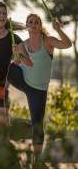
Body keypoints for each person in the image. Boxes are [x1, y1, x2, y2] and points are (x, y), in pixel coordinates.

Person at [8, 14, 72, 156]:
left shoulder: (48, 41)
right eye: (30, 22)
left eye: (36, 22)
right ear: (27, 25)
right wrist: (16, 54)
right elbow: (22, 64)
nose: (33, 24)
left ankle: (37, 160)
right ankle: (0, 102)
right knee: (6, 66)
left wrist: (58, 29)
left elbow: (68, 44)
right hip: (23, 79)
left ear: (41, 25)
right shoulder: (22, 44)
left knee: (37, 124)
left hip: (38, 89)